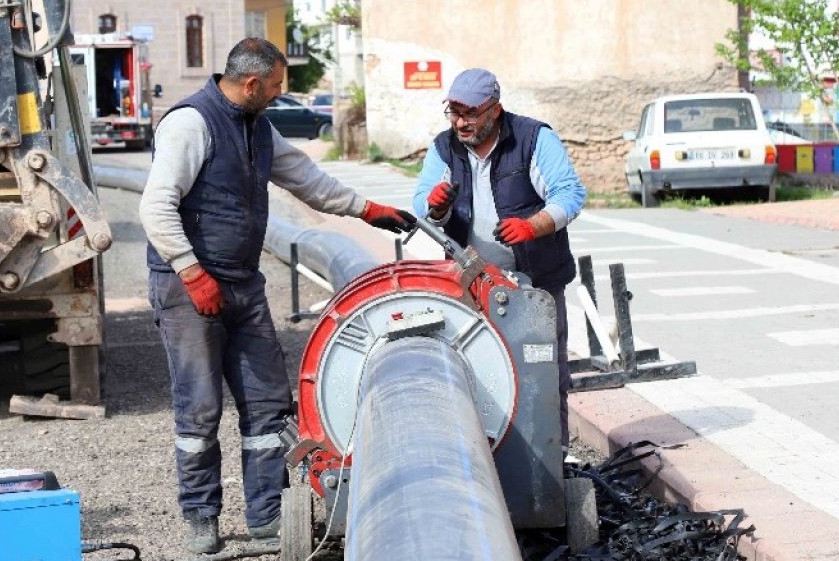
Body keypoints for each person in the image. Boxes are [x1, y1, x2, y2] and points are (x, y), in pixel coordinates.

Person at [140, 38, 415, 555]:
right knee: (199, 412)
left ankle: (266, 516)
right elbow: (156, 208)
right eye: (274, 88)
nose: (276, 96)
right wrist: (191, 271)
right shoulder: (190, 124)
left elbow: (307, 179)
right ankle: (201, 517)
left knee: (268, 406)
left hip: (242, 283)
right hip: (189, 286)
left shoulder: (257, 128)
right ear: (250, 84)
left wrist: (365, 208)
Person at [412, 68, 586, 445]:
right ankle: (490, 457)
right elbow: (422, 204)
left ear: (495, 110)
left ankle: (553, 457)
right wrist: (435, 205)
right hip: (472, 282)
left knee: (541, 371)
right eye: (453, 113)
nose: (460, 123)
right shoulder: (444, 148)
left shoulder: (533, 138)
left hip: (533, 282)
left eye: (469, 113)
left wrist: (533, 226)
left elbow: (570, 195)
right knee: (478, 370)